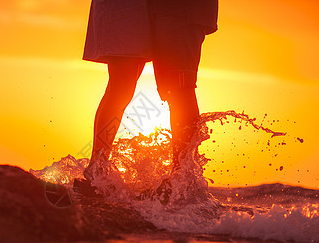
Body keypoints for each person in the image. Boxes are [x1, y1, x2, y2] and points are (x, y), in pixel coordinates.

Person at [76, 0, 218, 198]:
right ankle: (97, 171)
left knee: (178, 87)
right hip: (145, 9)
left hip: (180, 9)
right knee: (124, 85)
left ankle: (182, 178)